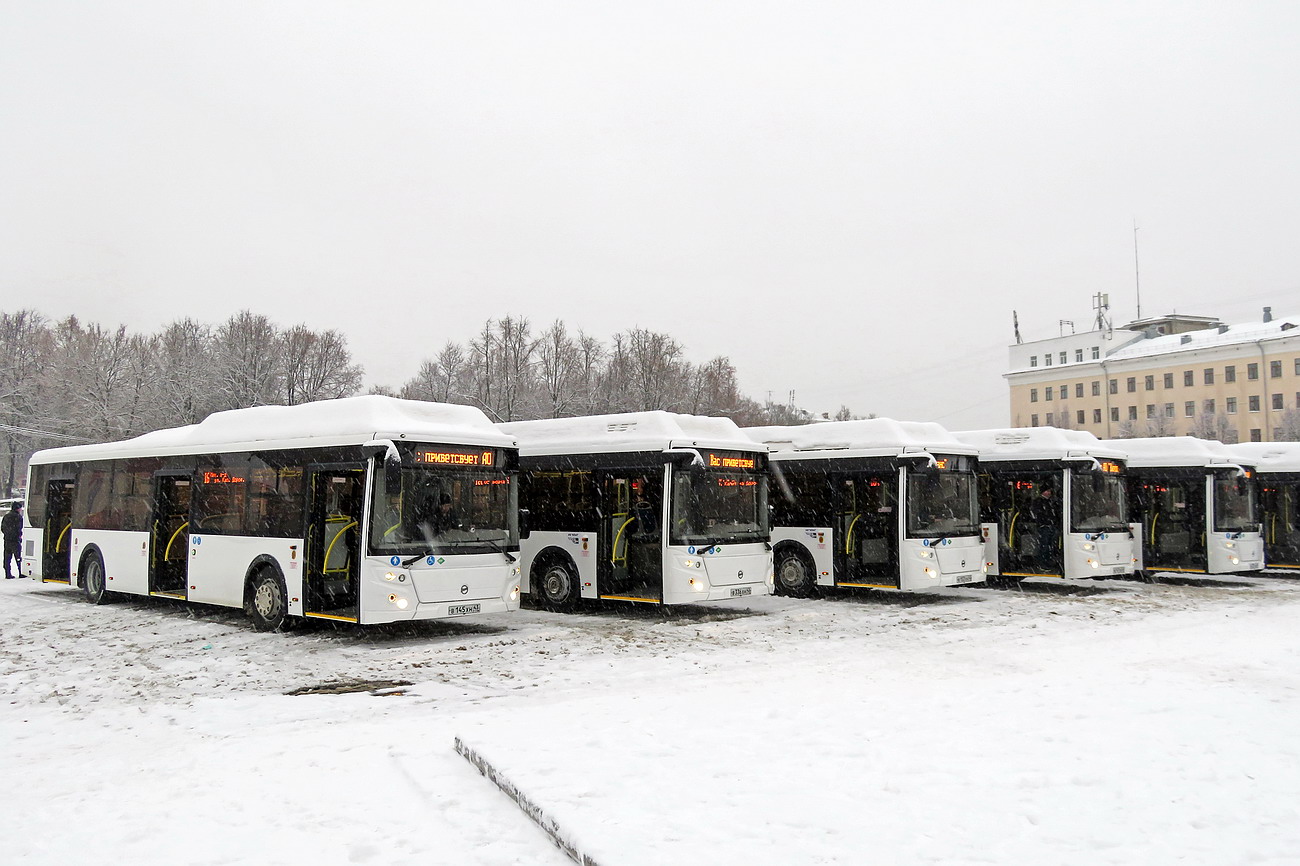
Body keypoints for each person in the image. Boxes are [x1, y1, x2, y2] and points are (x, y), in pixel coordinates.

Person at [2, 501, 23, 580]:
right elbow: (19, 528)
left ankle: (8, 573)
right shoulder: (18, 517)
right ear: (17, 508)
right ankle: (21, 572)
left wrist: (8, 534)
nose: (21, 509)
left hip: (7, 540)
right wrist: (18, 536)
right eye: (20, 508)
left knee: (7, 557)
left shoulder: (6, 516)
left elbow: (3, 528)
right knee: (18, 557)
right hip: (15, 540)